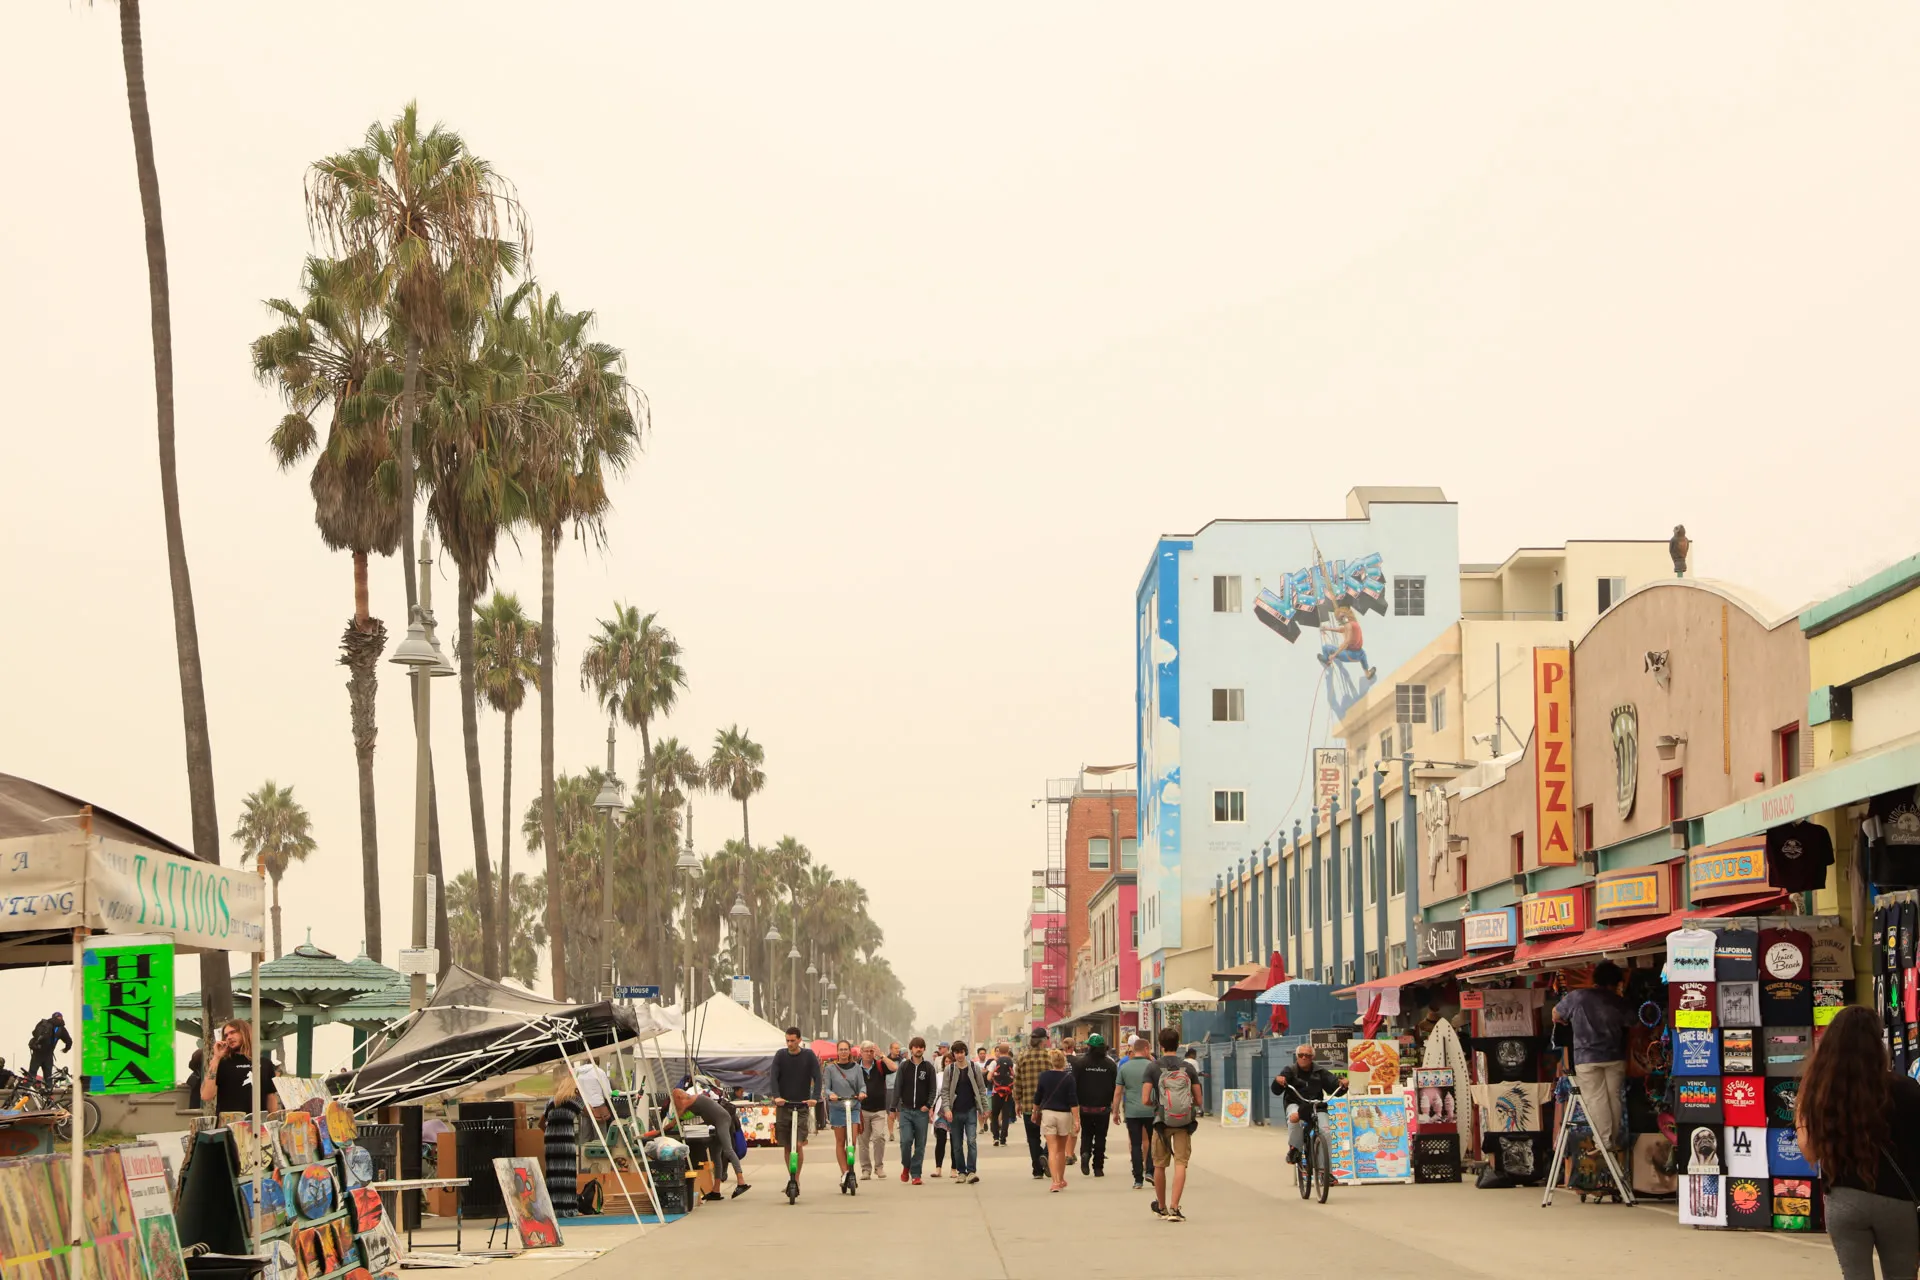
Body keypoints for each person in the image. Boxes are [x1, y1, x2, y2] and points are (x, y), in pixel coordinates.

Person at [1798, 1006, 1920, 1280]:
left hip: (1844, 1200)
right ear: (1879, 1045)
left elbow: (1809, 1151)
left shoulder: (1824, 1095)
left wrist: (1804, 1102)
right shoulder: (1908, 1090)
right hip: (1898, 1202)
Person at [1551, 960, 1630, 1156]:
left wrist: (1564, 1020)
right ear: (1615, 983)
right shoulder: (1617, 1001)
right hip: (1614, 1056)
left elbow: (1555, 1014)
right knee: (1614, 1098)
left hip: (1586, 1057)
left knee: (1596, 1099)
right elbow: (1632, 1021)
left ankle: (1603, 1141)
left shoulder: (1577, 997)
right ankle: (1611, 1138)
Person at [1143, 1027, 1200, 1223]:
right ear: (1178, 1044)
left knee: (1159, 1165)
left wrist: (1159, 1105)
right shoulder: (1188, 1068)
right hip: (1184, 1121)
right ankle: (1175, 1208)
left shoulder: (1152, 1068)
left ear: (1160, 1045)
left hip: (1162, 1121)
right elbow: (1199, 1099)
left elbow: (1144, 1099)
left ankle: (1161, 1207)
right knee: (1180, 1163)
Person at [1272, 1042, 1344, 1166]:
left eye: (1307, 1055)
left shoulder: (1320, 1072)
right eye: (1301, 1055)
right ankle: (1295, 1149)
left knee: (1325, 1132)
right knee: (1294, 1117)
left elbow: (1334, 1087)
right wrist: (1278, 1081)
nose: (1304, 1057)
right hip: (1296, 1103)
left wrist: (1342, 1085)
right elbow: (1276, 1090)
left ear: (1312, 1057)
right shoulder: (1290, 1070)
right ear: (1297, 1056)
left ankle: (1325, 1171)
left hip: (1316, 1106)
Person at [672, 1087, 750, 1200]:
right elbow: (687, 1116)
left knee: (728, 1150)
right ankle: (716, 1190)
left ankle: (741, 1182)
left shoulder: (690, 1100)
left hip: (723, 1120)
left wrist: (660, 1130)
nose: (675, 1103)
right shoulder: (692, 1103)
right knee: (716, 1155)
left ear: (679, 1097)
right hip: (716, 1124)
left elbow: (676, 1118)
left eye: (675, 1100)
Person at [770, 1027, 822, 1188]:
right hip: (784, 1104)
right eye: (787, 1040)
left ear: (800, 1040)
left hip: (802, 1105)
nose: (790, 1043)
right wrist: (776, 1096)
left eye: (793, 1040)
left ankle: (797, 1178)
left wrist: (814, 1098)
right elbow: (773, 1077)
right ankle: (791, 1176)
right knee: (787, 1144)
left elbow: (817, 1077)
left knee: (798, 1144)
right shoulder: (780, 1055)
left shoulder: (808, 1056)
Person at [198, 1019, 281, 1115]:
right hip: (229, 1124)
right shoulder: (222, 1063)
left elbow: (270, 1097)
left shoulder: (265, 1063)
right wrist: (216, 1058)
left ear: (245, 1033)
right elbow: (206, 1096)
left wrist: (273, 1121)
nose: (229, 1037)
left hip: (258, 1124)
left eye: (233, 1032)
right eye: (226, 1035)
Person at [942, 1040, 990, 1184]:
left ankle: (971, 1171)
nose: (959, 1055)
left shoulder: (974, 1068)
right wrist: (946, 1108)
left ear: (965, 1053)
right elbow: (944, 1091)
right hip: (955, 1111)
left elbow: (981, 1090)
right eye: (956, 1053)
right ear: (954, 1054)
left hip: (970, 1110)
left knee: (971, 1141)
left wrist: (985, 1108)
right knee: (956, 1144)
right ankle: (961, 1172)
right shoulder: (949, 1070)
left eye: (962, 1052)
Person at [1072, 1034, 1118, 1177]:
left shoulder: (1080, 1063)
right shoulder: (1110, 1064)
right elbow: (1114, 1085)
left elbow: (1074, 1084)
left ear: (1089, 1047)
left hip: (1085, 1106)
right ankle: (1098, 1167)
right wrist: (1113, 1105)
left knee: (1086, 1134)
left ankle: (1085, 1153)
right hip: (1103, 1108)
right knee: (1100, 1137)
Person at [1035, 1049, 1080, 1192]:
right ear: (1064, 1063)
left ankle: (1054, 1182)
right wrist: (1077, 1120)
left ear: (1051, 1062)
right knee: (1061, 1150)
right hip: (1064, 1115)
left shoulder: (1043, 1076)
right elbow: (1073, 1100)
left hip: (1048, 1113)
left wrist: (1035, 1111)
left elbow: (1038, 1096)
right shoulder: (1069, 1078)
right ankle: (1060, 1179)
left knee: (1052, 1149)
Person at [1114, 1035, 1155, 1189]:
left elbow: (1118, 1092)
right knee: (1151, 1142)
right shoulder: (1153, 1066)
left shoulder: (1124, 1067)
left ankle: (1138, 1179)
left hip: (1131, 1112)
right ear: (1145, 1049)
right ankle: (1150, 1170)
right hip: (1151, 1110)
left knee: (1136, 1144)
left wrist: (1115, 1111)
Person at [822, 1040, 866, 1184]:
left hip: (853, 1107)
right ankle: (845, 1172)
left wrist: (862, 1093)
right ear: (837, 1051)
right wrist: (831, 1095)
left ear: (849, 1051)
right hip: (837, 1108)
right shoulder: (830, 1068)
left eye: (845, 1049)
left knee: (851, 1141)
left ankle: (851, 1168)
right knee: (840, 1141)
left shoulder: (857, 1068)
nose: (843, 1052)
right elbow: (826, 1088)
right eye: (840, 1049)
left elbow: (862, 1086)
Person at [894, 1037, 937, 1184]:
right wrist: (894, 1107)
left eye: (921, 1047)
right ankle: (906, 1166)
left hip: (921, 1112)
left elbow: (933, 1089)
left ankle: (916, 1174)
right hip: (905, 1111)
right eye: (916, 1047)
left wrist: (928, 1104)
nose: (918, 1049)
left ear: (924, 1049)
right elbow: (897, 1087)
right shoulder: (904, 1067)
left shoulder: (928, 1068)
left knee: (920, 1145)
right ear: (911, 1049)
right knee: (905, 1142)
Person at [542, 1076, 584, 1216]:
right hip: (565, 1140)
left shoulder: (551, 1102)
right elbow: (592, 1115)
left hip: (551, 1141)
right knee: (567, 1173)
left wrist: (552, 1131)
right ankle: (568, 1208)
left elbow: (540, 1123)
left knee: (553, 1174)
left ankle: (554, 1208)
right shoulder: (575, 1101)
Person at [1013, 1028, 1051, 1179]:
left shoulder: (1022, 1057)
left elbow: (1017, 1082)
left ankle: (1037, 1170)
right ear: (1043, 1041)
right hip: (1048, 1105)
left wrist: (1017, 1101)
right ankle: (1046, 1154)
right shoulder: (1050, 1057)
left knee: (1032, 1137)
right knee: (1051, 1135)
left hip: (1029, 1105)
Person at [856, 1042, 895, 1180]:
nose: (869, 1054)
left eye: (871, 1051)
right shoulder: (855, 1067)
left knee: (879, 1137)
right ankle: (866, 1169)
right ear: (860, 1052)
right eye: (866, 1051)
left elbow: (894, 1067)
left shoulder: (880, 1065)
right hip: (862, 1109)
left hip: (878, 1110)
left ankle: (879, 1167)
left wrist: (882, 1055)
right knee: (863, 1141)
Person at [26, 1013, 70, 1090]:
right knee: (48, 1076)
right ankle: (48, 1092)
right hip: (48, 1054)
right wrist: (66, 1049)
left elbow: (34, 1033)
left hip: (38, 1052)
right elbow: (69, 1041)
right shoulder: (61, 1029)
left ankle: (27, 1089)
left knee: (32, 1072)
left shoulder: (44, 1024)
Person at [988, 1041, 1017, 1146]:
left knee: (994, 1115)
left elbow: (989, 1077)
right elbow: (1015, 1078)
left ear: (999, 1051)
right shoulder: (1013, 1064)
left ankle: (995, 1137)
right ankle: (1003, 1139)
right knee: (1005, 1116)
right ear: (1008, 1051)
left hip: (996, 1092)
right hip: (1008, 1094)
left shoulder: (994, 1063)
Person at [575, 1057, 615, 1129]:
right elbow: (607, 1093)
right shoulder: (599, 1072)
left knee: (586, 1136)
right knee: (600, 1136)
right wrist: (614, 1093)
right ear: (598, 1062)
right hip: (598, 1108)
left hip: (585, 1108)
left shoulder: (580, 1073)